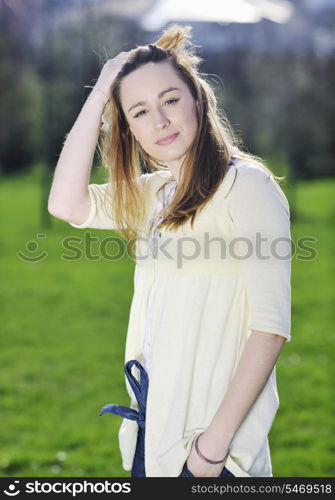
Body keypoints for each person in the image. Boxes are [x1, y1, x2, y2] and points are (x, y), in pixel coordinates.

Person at [48, 24, 292, 478]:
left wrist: (210, 451)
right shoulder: (152, 193)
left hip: (210, 455)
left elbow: (271, 329)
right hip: (151, 438)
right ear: (129, 128)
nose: (158, 121)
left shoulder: (246, 185)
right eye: (139, 112)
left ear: (197, 99)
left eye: (170, 100)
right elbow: (65, 203)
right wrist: (101, 90)